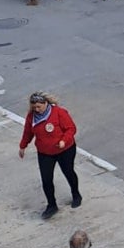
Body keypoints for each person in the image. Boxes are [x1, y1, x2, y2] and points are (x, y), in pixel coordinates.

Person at [18, 91, 82, 219]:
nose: (37, 109)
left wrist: (64, 140)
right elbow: (28, 132)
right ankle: (51, 205)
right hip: (45, 152)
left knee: (68, 172)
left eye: (39, 107)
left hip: (65, 150)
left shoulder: (59, 112)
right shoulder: (32, 117)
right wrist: (23, 146)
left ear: (46, 103)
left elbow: (71, 128)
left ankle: (76, 195)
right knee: (46, 179)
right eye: (34, 107)